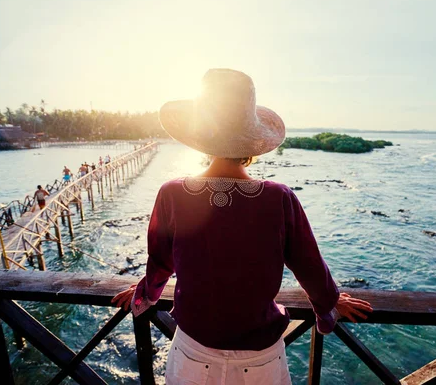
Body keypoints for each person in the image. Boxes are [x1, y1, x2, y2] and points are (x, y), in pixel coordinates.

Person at [112, 69, 372, 384]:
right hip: (260, 357)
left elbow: (160, 263)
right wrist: (331, 303)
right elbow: (310, 267)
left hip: (194, 351)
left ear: (202, 139)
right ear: (252, 144)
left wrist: (146, 294)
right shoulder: (279, 198)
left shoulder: (172, 193)